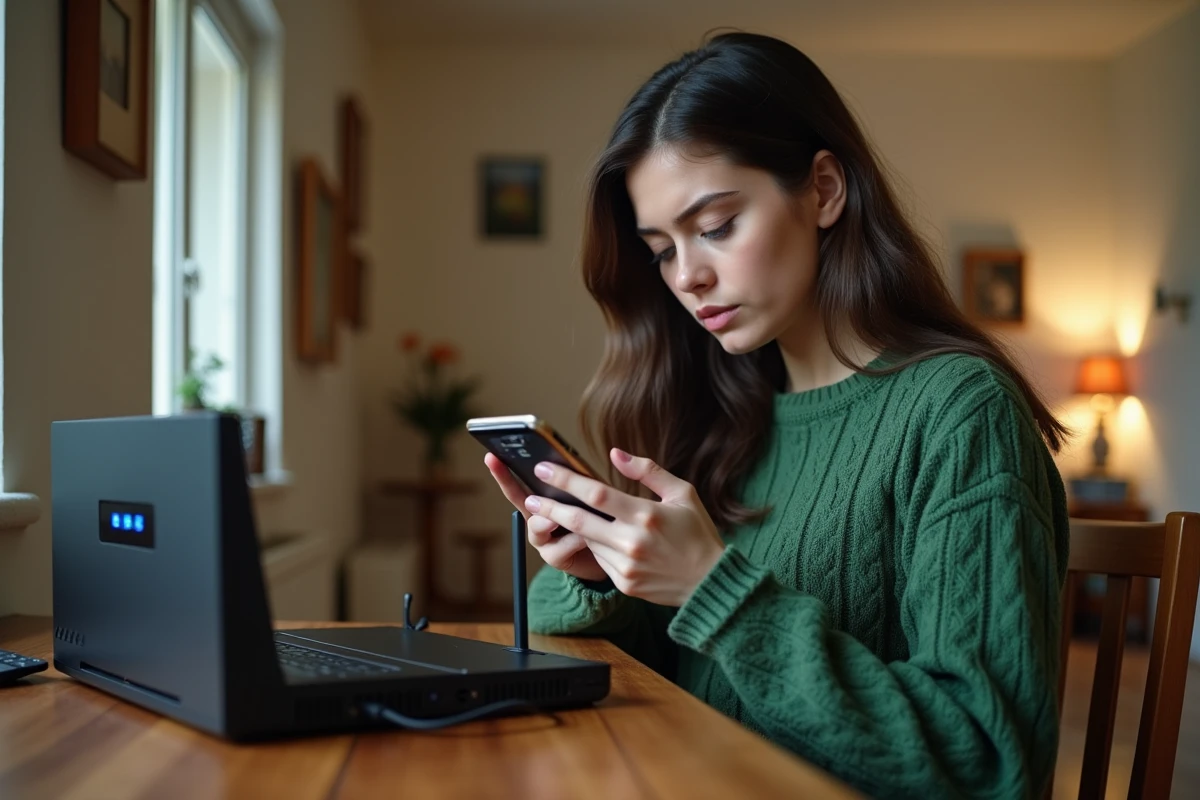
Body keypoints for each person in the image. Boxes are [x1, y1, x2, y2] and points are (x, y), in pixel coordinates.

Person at [483, 31, 1069, 798]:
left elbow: (986, 762)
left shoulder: (959, 414)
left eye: (717, 226)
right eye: (661, 249)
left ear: (824, 190)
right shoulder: (723, 416)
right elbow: (642, 679)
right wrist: (603, 577)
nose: (687, 276)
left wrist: (712, 591)